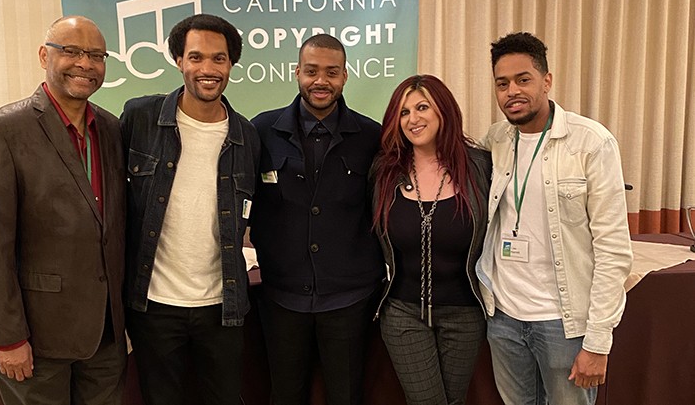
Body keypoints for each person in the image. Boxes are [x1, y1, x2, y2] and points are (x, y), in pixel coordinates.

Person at [0, 16, 126, 404]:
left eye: (96, 55)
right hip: (37, 338)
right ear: (44, 55)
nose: (85, 63)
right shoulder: (2, 131)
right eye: (71, 50)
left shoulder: (111, 129)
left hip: (106, 336)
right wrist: (9, 337)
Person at [476, 31, 634, 405]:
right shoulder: (495, 140)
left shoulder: (591, 143)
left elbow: (613, 250)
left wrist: (597, 340)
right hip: (503, 317)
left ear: (547, 80)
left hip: (564, 324)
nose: (512, 91)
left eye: (523, 79)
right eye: (502, 83)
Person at [120, 13, 260, 405]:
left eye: (219, 59)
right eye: (196, 57)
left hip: (222, 305)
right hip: (154, 304)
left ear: (231, 64)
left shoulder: (246, 136)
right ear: (179, 60)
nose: (207, 69)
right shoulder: (140, 118)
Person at [249, 33, 384, 405]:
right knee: (285, 394)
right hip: (281, 296)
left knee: (345, 395)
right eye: (311, 71)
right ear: (296, 72)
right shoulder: (261, 131)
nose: (321, 81)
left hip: (350, 299)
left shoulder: (373, 136)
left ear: (345, 76)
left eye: (331, 72)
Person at [370, 74, 490, 405]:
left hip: (465, 313)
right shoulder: (384, 170)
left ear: (443, 111)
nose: (413, 119)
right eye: (404, 112)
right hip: (403, 312)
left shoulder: (479, 166)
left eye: (422, 107)